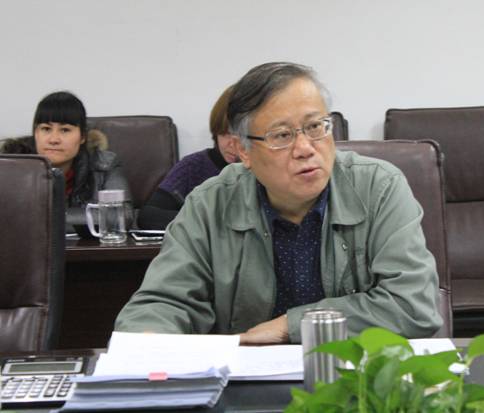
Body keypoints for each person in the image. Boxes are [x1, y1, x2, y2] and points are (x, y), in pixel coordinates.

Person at [115, 62, 442, 344]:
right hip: (246, 379)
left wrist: (292, 325)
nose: (305, 148)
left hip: (356, 375)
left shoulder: (379, 188)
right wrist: (148, 339)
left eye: (315, 127)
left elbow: (412, 305)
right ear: (243, 151)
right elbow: (163, 302)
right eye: (282, 135)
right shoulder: (209, 204)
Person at [0, 91, 131, 231]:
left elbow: (120, 216)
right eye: (46, 129)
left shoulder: (104, 164)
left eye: (65, 130)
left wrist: (41, 219)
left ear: (82, 137)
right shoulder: (10, 165)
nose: (53, 139)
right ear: (36, 134)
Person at [138, 85, 239, 229]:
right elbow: (149, 216)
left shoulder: (264, 169)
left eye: (241, 137)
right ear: (216, 131)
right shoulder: (193, 165)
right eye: (225, 133)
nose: (232, 144)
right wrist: (207, 221)